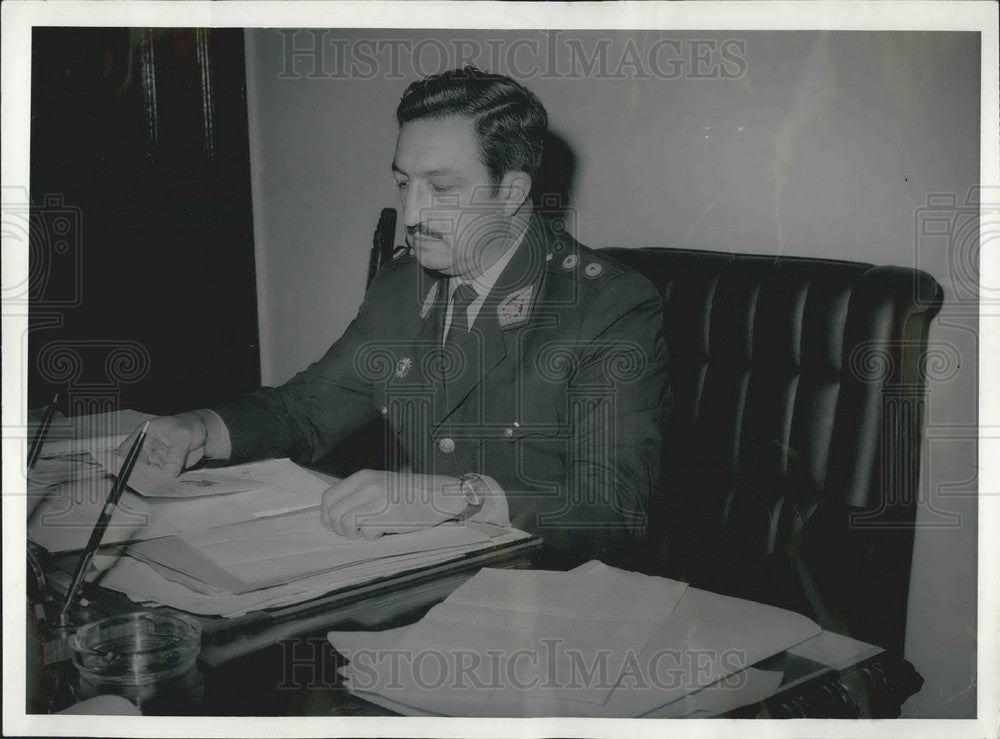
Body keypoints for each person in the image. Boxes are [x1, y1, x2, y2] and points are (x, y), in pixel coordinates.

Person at [129, 67, 669, 561]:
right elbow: (308, 409)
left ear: (511, 192)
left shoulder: (607, 305)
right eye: (404, 183)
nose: (412, 214)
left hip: (546, 590)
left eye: (442, 187)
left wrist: (459, 498)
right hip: (425, 571)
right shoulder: (403, 285)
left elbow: (616, 507)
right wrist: (204, 428)